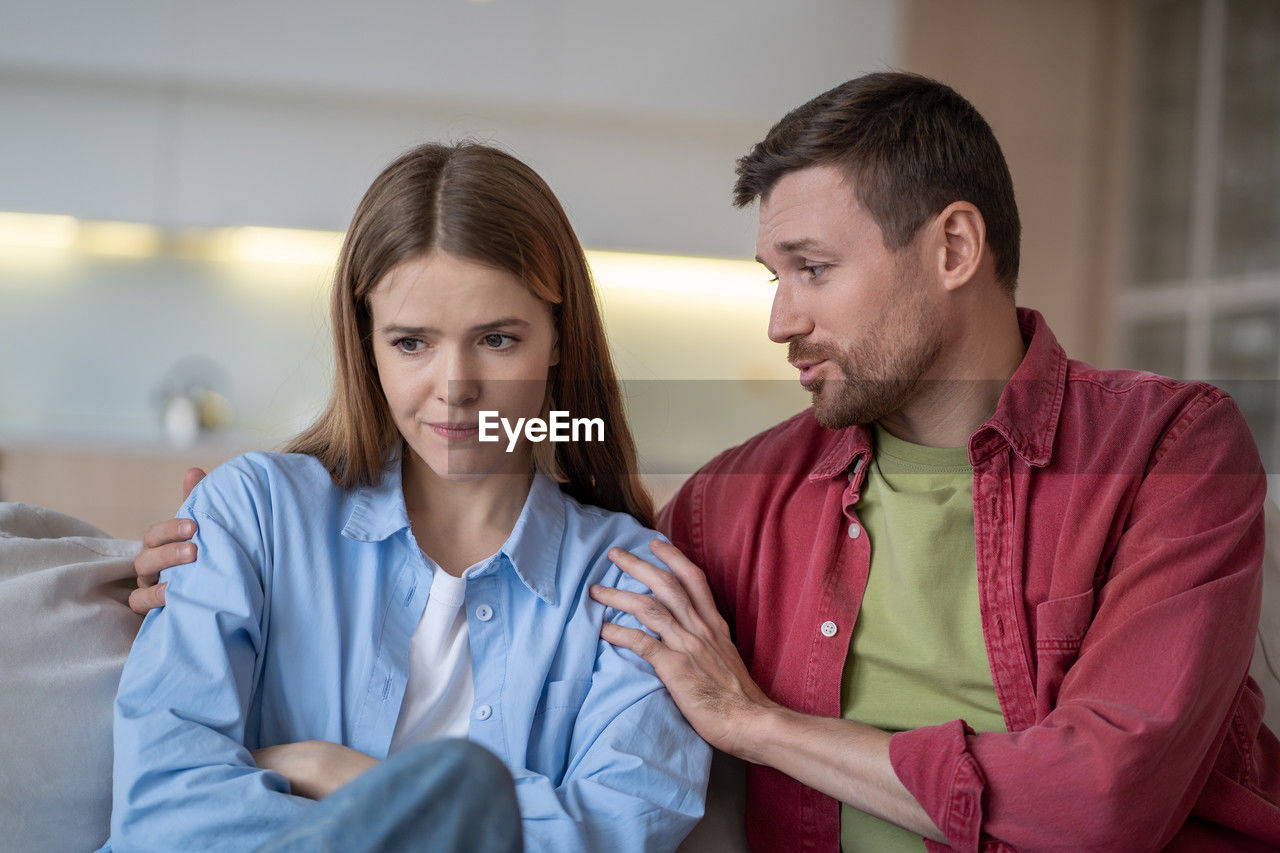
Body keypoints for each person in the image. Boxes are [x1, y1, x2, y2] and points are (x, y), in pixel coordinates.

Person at [133, 73, 1280, 851]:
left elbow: (1101, 800)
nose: (777, 320)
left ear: (952, 247)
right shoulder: (731, 507)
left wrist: (758, 725)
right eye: (767, 276)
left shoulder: (1168, 449)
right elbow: (524, 447)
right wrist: (215, 534)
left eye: (811, 269)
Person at [104, 141, 709, 853]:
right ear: (367, 344)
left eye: (496, 338)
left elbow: (620, 830)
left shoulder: (630, 577)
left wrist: (334, 769)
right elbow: (163, 817)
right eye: (412, 343)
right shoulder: (254, 514)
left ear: (557, 337)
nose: (456, 388)